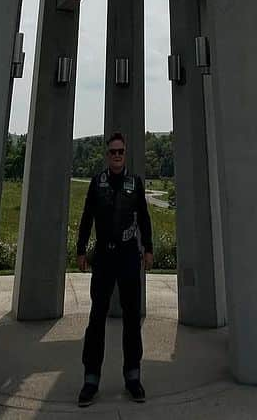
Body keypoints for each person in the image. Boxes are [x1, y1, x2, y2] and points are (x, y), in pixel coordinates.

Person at [75, 131, 153, 406]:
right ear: (107, 155)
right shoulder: (98, 183)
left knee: (132, 318)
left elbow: (143, 216)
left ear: (125, 154)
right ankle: (91, 379)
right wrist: (81, 249)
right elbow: (87, 217)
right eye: (113, 152)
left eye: (121, 151)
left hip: (129, 256)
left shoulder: (136, 183)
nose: (117, 155)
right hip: (105, 257)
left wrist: (149, 248)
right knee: (97, 317)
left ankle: (133, 377)